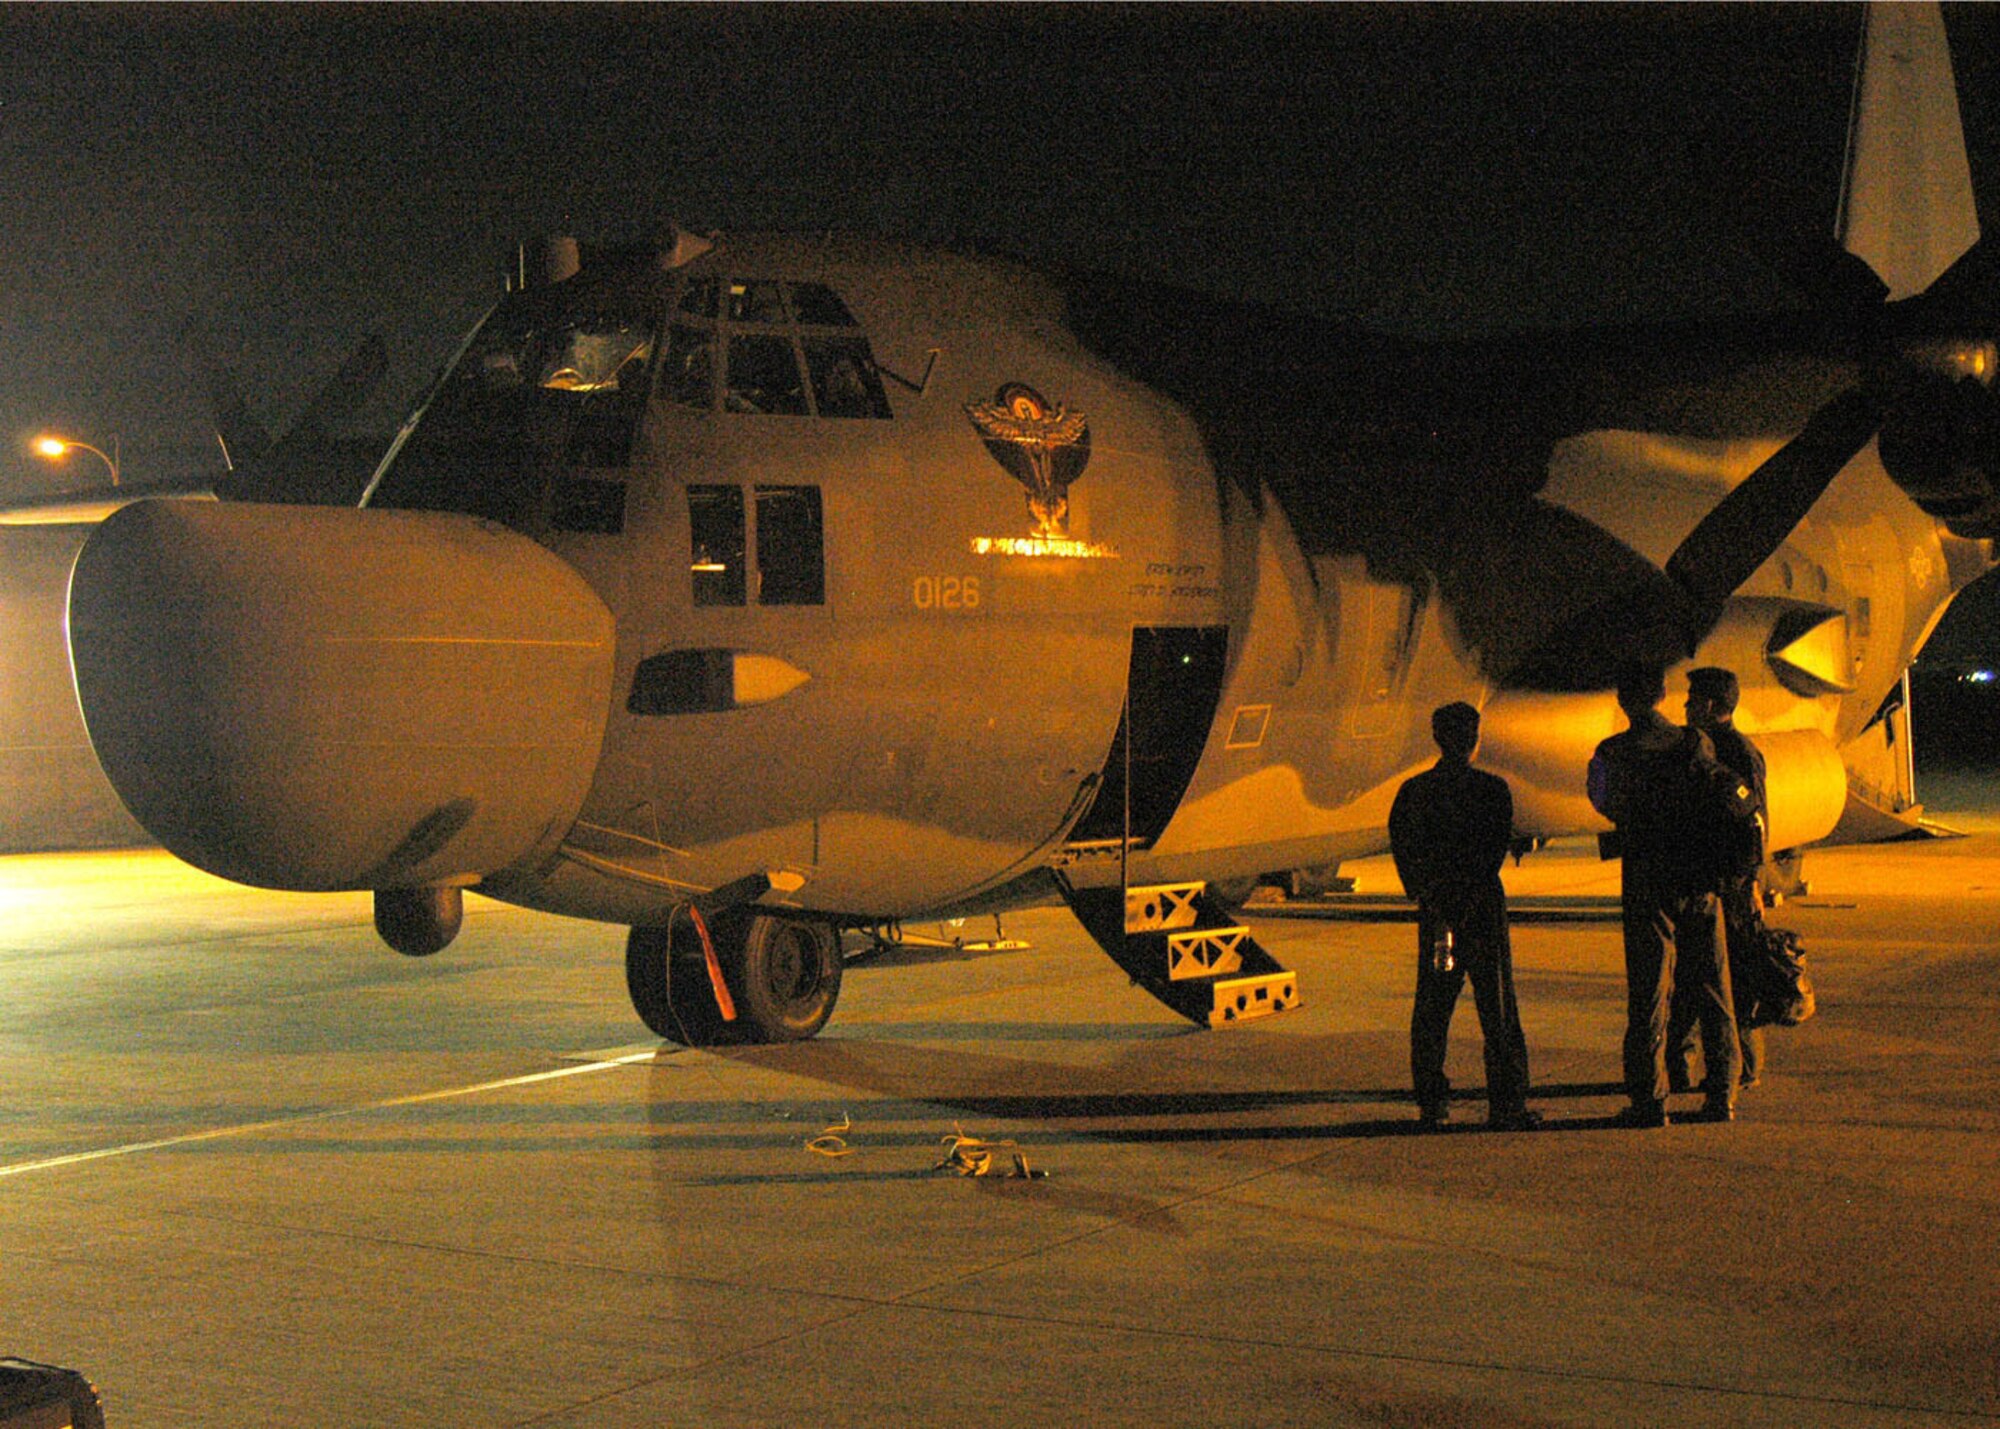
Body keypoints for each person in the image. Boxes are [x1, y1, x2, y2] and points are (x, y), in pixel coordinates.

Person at [1588, 666, 1747, 1127]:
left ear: (1623, 701)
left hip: (1646, 879)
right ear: (1661, 696)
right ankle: (1721, 1094)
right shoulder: (1694, 744)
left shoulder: (1613, 752)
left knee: (1649, 991)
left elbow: (1602, 801)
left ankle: (1649, 1099)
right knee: (1715, 987)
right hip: (1697, 879)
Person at [1389, 701, 1537, 1131]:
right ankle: (1507, 1101)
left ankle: (1431, 1100)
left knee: (1433, 1009)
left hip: (1438, 912)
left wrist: (1428, 896)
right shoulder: (1492, 790)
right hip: (1482, 911)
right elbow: (1492, 852)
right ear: (1474, 739)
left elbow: (1404, 850)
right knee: (1498, 1008)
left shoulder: (1414, 792)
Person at [1667, 667, 1770, 1094]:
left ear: (1710, 705)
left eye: (1692, 698)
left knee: (1732, 981)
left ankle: (1740, 1065)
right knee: (1697, 977)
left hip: (1730, 885)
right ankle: (1692, 1065)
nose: (1686, 705)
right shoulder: (1705, 748)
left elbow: (1756, 822)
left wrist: (1751, 884)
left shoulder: (1733, 753)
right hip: (1709, 880)